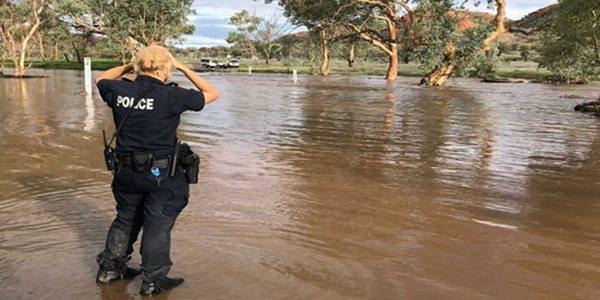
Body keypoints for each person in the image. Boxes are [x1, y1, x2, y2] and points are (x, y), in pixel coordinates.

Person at [93, 45, 219, 296]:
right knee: (157, 226)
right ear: (167, 68)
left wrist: (131, 66)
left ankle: (110, 270)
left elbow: (100, 78)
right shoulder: (173, 96)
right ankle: (152, 281)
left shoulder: (118, 89)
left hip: (125, 174)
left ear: (138, 66)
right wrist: (183, 67)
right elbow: (212, 93)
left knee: (126, 218)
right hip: (161, 177)